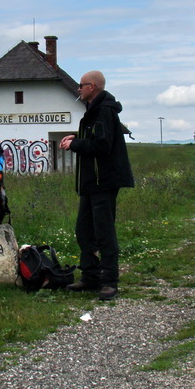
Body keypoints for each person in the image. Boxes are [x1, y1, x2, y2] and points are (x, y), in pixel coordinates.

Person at [59, 71, 134, 301]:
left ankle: (109, 282)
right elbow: (93, 138)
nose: (78, 89)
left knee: (104, 232)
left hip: (104, 182)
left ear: (92, 87)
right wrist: (78, 136)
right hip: (91, 183)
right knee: (84, 231)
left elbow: (102, 145)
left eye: (81, 85)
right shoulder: (94, 111)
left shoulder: (104, 111)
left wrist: (75, 144)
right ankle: (91, 277)